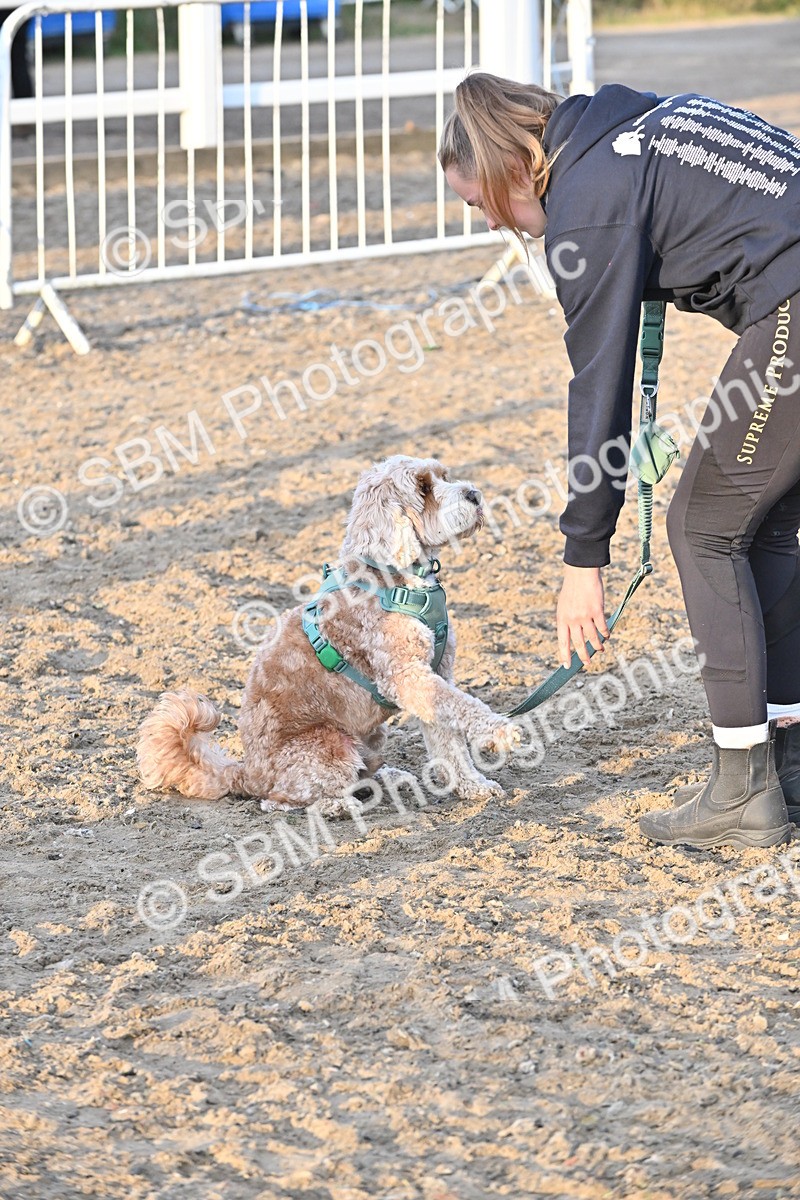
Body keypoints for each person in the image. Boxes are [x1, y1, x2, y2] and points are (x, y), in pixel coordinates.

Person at [439, 72, 800, 849]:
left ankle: (742, 790)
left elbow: (597, 389)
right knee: (764, 520)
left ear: (510, 171)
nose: (490, 222)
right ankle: (788, 761)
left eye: (478, 203)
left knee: (703, 530)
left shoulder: (587, 206)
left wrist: (584, 557)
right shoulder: (631, 130)